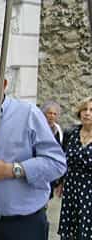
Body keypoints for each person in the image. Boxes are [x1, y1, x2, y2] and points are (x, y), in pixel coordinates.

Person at [0, 57, 66, 240]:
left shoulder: (29, 114)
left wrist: (12, 170)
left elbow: (57, 164)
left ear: (4, 83)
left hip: (24, 225)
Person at [58, 97, 92, 240]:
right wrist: (60, 182)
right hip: (71, 187)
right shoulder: (70, 133)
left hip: (90, 190)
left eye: (91, 110)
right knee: (70, 231)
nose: (87, 113)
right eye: (84, 109)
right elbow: (62, 159)